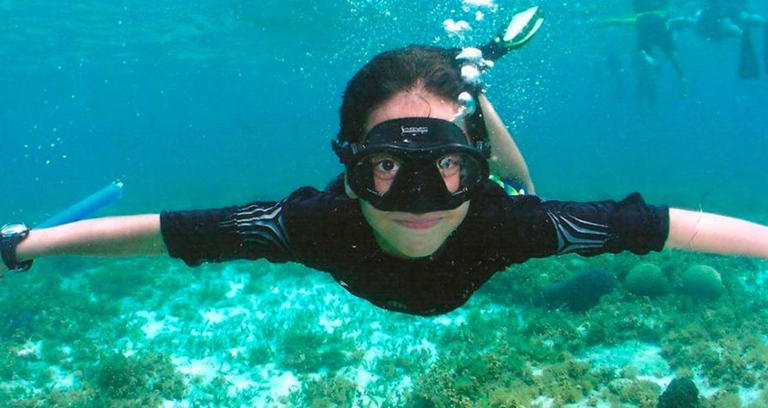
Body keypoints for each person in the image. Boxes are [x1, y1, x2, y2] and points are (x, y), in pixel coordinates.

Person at [4, 45, 768, 317]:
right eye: (385, 170)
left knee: (528, 193)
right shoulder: (314, 221)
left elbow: (670, 227)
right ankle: (472, 96)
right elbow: (167, 234)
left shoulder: (508, 223)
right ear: (350, 167)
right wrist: (27, 244)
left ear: (468, 172)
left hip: (504, 205)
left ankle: (479, 97)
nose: (417, 203)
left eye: (447, 169)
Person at [602, 0, 688, 116]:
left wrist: (607, 21)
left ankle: (646, 110)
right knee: (669, 52)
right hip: (657, 26)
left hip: (647, 26)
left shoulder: (640, 20)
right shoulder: (660, 19)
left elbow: (619, 22)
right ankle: (681, 78)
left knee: (649, 50)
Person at [672, 0, 766, 78]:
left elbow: (685, 21)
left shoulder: (698, 25)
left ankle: (741, 34)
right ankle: (763, 21)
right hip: (731, 4)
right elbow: (682, 21)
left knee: (726, 25)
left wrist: (671, 24)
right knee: (743, 16)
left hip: (715, 14)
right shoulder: (698, 21)